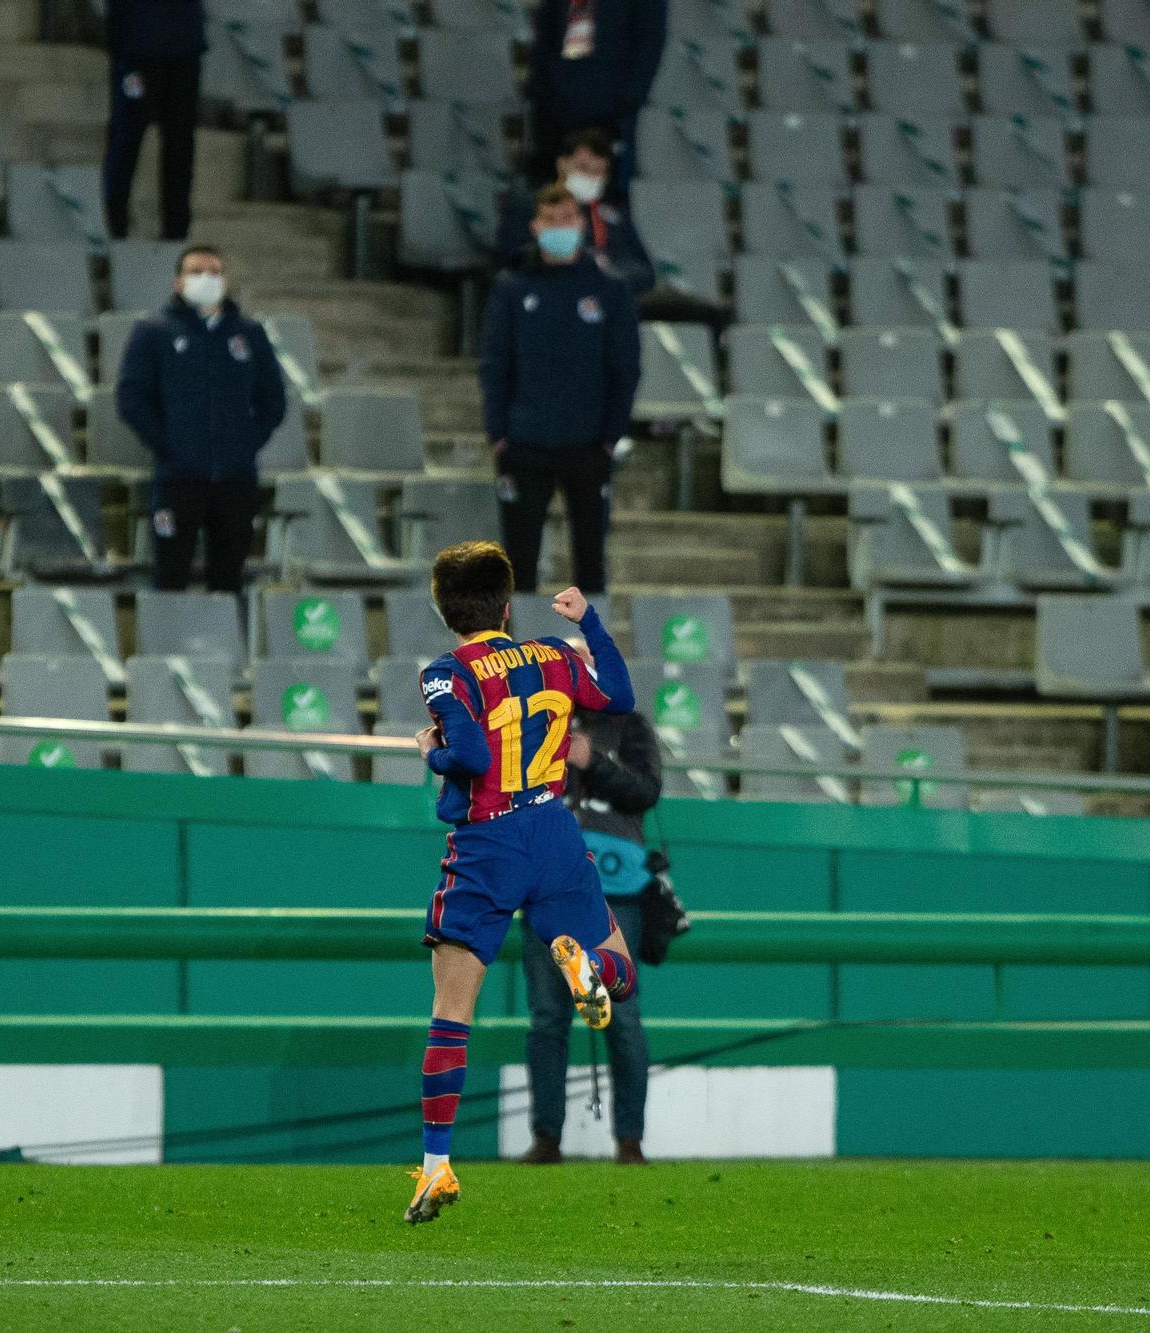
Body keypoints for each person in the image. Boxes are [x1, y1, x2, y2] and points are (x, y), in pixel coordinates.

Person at [404, 541, 638, 1225]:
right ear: (508, 606)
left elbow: (471, 753)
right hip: (553, 826)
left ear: (446, 611)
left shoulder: (447, 672)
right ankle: (587, 962)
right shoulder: (555, 655)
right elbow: (620, 695)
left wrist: (431, 751)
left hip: (488, 842)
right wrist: (589, 620)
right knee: (619, 969)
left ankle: (438, 1167)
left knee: (452, 1011)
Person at [518, 633, 662, 1166]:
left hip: (614, 889)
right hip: (547, 887)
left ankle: (630, 1140)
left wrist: (592, 762)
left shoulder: (626, 724)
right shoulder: (527, 726)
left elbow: (646, 793)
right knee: (548, 1017)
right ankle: (546, 1137)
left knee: (622, 1016)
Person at [480, 186, 641, 596]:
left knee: (590, 563)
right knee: (518, 565)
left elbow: (625, 367)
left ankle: (588, 658)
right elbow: (495, 364)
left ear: (581, 224)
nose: (560, 227)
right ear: (535, 227)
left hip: (588, 446)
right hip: (524, 443)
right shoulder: (513, 286)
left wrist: (610, 436)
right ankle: (514, 656)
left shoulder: (609, 288)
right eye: (550, 220)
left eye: (568, 218)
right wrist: (498, 432)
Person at [116, 244, 286, 594]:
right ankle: (167, 647)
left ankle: (225, 647)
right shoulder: (154, 332)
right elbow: (131, 398)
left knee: (229, 579)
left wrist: (246, 444)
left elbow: (273, 399)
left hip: (236, 479)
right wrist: (167, 445)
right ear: (178, 282)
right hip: (178, 478)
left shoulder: (249, 334)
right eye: (196, 272)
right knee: (170, 576)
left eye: (214, 271)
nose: (206, 278)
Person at [525, 0, 667, 199]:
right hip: (555, 109)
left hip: (608, 112)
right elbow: (545, 34)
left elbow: (650, 40)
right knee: (552, 197)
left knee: (604, 200)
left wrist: (627, 101)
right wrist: (541, 90)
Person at [497, 129, 654, 298]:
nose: (591, 178)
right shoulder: (530, 206)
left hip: (606, 299)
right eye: (583, 168)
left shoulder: (614, 213)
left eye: (599, 172)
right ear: (562, 165)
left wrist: (611, 275)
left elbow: (644, 271)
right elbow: (511, 261)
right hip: (547, 297)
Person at [102, 0, 205, 241]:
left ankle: (176, 232)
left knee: (179, 143)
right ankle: (114, 228)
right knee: (127, 137)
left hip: (182, 45)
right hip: (137, 44)